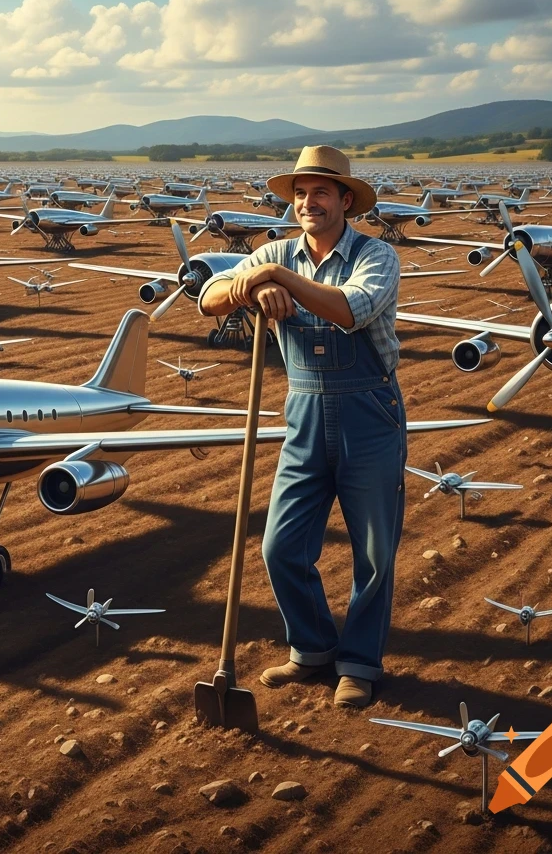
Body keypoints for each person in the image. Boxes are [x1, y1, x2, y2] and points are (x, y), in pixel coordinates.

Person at [197, 145, 405, 708]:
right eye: (299, 193)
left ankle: (358, 664)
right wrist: (253, 285)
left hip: (369, 411)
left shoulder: (376, 255)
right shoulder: (278, 253)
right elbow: (207, 299)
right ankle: (312, 649)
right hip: (305, 411)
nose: (308, 202)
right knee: (280, 546)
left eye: (320, 192)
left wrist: (274, 275)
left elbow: (351, 309)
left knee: (374, 550)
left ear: (344, 200)